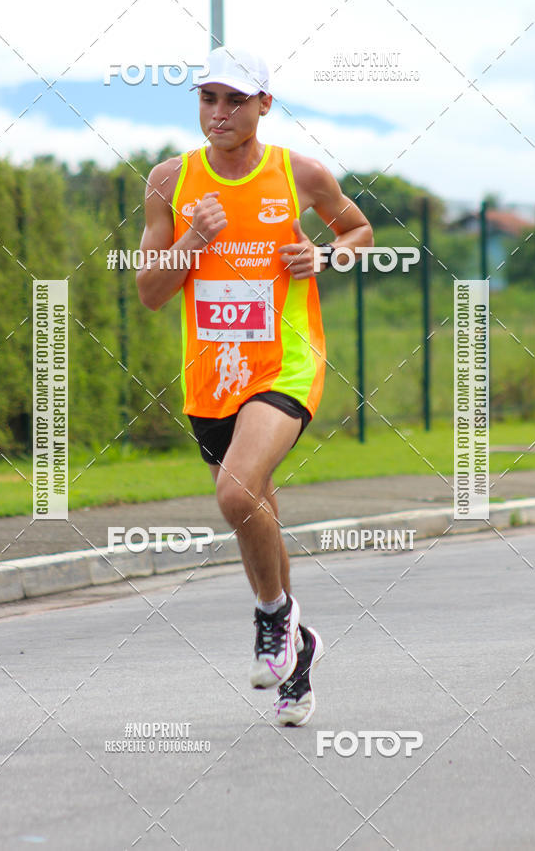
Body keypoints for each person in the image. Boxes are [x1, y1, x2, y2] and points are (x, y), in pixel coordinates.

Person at [137, 46, 372, 726]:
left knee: (236, 491)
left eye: (235, 99)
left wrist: (326, 254)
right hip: (213, 378)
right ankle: (299, 652)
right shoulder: (169, 180)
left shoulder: (297, 173)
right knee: (256, 513)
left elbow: (357, 227)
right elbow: (151, 292)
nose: (220, 112)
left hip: (286, 364)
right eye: (208, 98)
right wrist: (191, 244)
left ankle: (273, 618)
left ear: (264, 104)